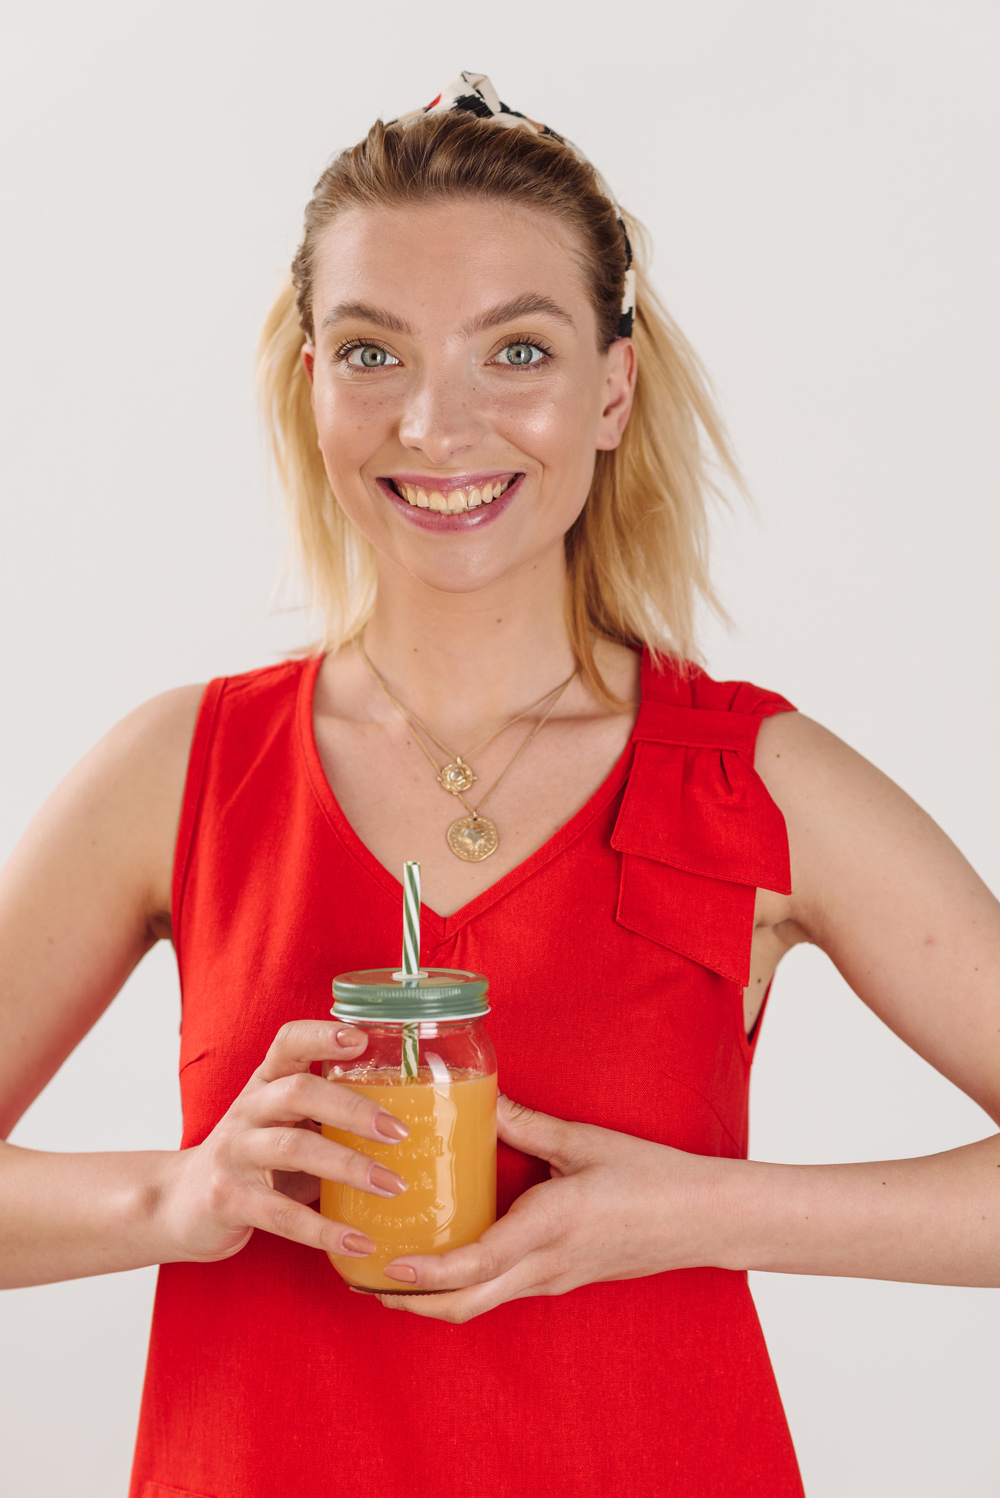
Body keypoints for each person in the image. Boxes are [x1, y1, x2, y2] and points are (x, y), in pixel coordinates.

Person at [1, 70, 998, 1498]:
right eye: (372, 353)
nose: (435, 425)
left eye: (515, 352)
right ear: (313, 383)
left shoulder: (754, 779)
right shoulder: (186, 770)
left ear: (613, 387)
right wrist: (177, 1194)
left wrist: (701, 1212)